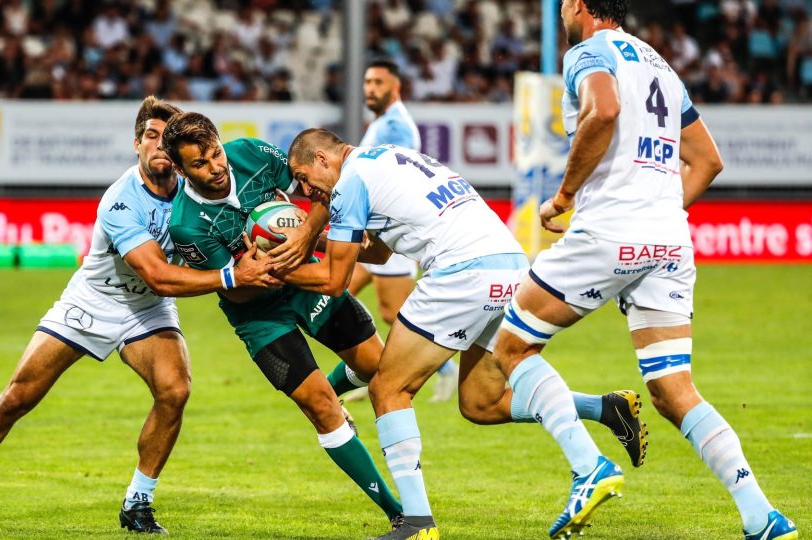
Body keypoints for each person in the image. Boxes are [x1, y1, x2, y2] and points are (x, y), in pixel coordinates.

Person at [0, 97, 280, 534]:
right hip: (93, 301)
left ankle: (138, 502)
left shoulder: (196, 192)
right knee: (18, 397)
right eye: (149, 136)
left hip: (147, 311)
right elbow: (158, 275)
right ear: (136, 144)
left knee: (174, 390)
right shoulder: (121, 200)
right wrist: (231, 277)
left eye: (164, 138)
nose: (157, 146)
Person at [493, 1, 798, 540]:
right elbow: (708, 160)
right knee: (673, 390)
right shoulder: (661, 65)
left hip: (610, 229)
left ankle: (589, 469)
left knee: (512, 348)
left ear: (582, 7)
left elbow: (604, 111)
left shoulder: (588, 52)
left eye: (565, 2)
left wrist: (563, 196)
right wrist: (659, 216)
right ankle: (762, 517)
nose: (562, 10)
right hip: (670, 239)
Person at [281, 128, 644, 540]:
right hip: (509, 264)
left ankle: (417, 524)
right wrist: (330, 237)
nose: (307, 193)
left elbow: (333, 281)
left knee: (388, 389)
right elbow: (380, 252)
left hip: (461, 275)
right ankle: (603, 415)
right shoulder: (385, 158)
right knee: (480, 403)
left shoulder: (348, 184)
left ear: (323, 160)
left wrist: (268, 268)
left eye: (305, 178)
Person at [161, 112, 405, 530]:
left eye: (215, 153)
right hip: (258, 316)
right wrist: (257, 269)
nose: (216, 167)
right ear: (181, 171)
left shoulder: (251, 153)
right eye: (199, 165)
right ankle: (399, 514)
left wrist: (305, 235)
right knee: (321, 408)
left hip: (307, 279)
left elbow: (322, 187)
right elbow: (235, 290)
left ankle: (332, 384)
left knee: (379, 371)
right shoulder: (186, 225)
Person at [333, 59, 459, 405]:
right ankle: (367, 368)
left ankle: (446, 369)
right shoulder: (383, 123)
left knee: (395, 314)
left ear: (395, 87)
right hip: (369, 233)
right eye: (367, 82)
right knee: (337, 290)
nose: (370, 88)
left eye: (378, 82)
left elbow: (398, 179)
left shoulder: (396, 128)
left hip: (387, 235)